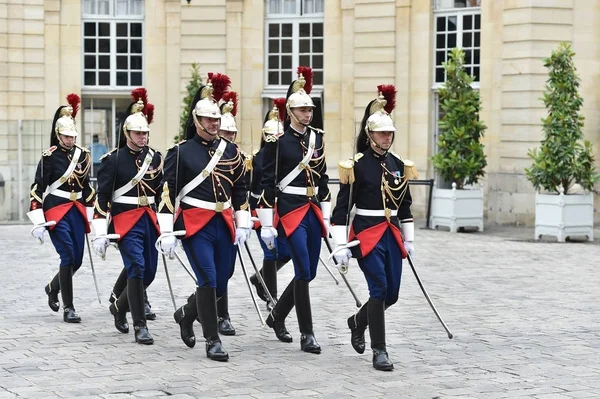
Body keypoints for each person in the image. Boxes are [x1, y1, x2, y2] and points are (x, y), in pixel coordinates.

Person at [160, 78, 250, 361]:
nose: (213, 123)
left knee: (222, 277)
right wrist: (166, 231)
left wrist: (243, 220)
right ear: (196, 120)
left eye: (216, 119)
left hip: (223, 222)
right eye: (208, 119)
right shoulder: (181, 152)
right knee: (208, 278)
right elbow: (167, 194)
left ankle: (186, 314)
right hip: (194, 224)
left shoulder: (232, 151)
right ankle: (212, 340)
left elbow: (241, 188)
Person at [330, 84, 417, 371]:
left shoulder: (399, 164)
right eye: (382, 133)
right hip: (366, 233)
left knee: (391, 294)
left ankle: (357, 321)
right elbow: (342, 209)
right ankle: (380, 350)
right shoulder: (356, 165)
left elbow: (404, 205)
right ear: (369, 136)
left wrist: (410, 238)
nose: (387, 138)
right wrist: (339, 244)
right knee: (378, 288)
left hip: (391, 233)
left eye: (390, 133)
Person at [257, 66, 330, 354]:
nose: (307, 115)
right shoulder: (278, 141)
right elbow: (267, 182)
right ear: (290, 112)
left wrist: (326, 214)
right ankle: (307, 333)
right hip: (289, 209)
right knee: (301, 267)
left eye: (309, 110)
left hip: (311, 209)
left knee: (308, 272)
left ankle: (277, 316)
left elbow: (322, 178)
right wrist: (266, 223)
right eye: (301, 111)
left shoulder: (317, 139)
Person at [92, 88, 163, 345]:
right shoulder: (112, 160)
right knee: (137, 267)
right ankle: (139, 325)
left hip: (149, 219)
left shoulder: (155, 157)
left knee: (150, 272)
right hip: (125, 220)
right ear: (127, 134)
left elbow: (160, 192)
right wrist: (100, 231)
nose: (143, 137)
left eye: (145, 133)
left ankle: (119, 307)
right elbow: (102, 199)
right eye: (138, 133)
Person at [28, 93, 95, 323]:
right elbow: (37, 187)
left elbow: (87, 187)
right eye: (66, 136)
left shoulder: (83, 155)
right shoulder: (50, 157)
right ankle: (69, 307)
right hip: (56, 209)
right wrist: (37, 217)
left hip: (76, 210)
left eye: (72, 136)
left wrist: (95, 213)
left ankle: (52, 287)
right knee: (67, 255)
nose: (69, 140)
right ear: (58, 135)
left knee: (77, 260)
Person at [248, 98, 292, 311]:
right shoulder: (258, 158)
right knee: (270, 252)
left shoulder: (286, 155)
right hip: (262, 208)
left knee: (286, 252)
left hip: (281, 210)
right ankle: (271, 297)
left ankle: (260, 278)